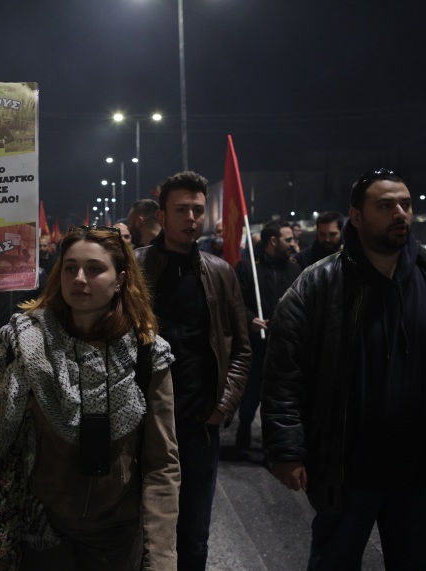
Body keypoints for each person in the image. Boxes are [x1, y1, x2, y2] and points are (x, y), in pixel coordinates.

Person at [262, 168, 426, 569]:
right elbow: (284, 376)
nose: (400, 213)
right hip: (348, 472)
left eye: (405, 204)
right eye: (386, 205)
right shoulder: (317, 286)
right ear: (356, 217)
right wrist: (287, 450)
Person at [0, 225, 179, 570]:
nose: (79, 278)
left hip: (115, 531)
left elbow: (162, 464)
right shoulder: (29, 343)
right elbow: (4, 436)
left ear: (120, 280)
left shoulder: (148, 355)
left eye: (94, 269)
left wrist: (161, 558)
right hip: (41, 524)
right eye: (70, 268)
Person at [135, 171, 251, 570]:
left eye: (197, 210)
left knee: (194, 534)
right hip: (140, 422)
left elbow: (242, 348)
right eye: (181, 209)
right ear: (161, 216)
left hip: (199, 424)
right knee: (139, 529)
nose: (191, 218)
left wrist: (223, 406)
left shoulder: (220, 271)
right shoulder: (135, 267)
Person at [231, 221, 300, 453]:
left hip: (284, 347)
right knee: (250, 394)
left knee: (278, 397)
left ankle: (272, 446)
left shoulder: (294, 269)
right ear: (273, 241)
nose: (293, 244)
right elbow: (236, 302)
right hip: (256, 347)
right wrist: (250, 319)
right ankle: (244, 429)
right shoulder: (248, 267)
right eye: (288, 240)